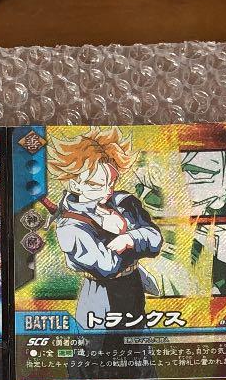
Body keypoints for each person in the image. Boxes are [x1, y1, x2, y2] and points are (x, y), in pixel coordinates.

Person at [47, 126, 163, 326]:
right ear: (75, 184)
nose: (107, 192)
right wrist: (127, 238)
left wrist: (129, 239)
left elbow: (155, 239)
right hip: (99, 294)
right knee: (98, 342)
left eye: (111, 183)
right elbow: (107, 266)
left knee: (138, 340)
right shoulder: (69, 226)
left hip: (133, 286)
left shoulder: (123, 202)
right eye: (96, 184)